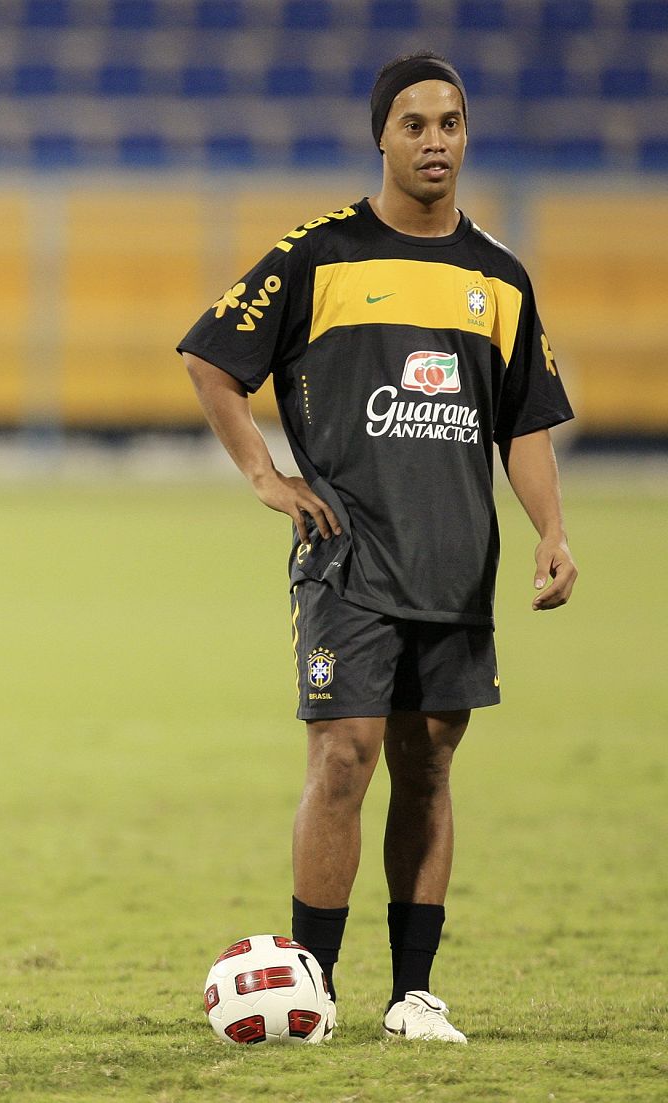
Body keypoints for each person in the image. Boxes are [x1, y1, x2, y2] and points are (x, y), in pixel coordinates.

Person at [178, 51, 577, 1043]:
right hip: (347, 555)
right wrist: (266, 476)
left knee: (429, 762)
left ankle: (414, 992)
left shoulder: (498, 275)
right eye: (415, 124)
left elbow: (521, 423)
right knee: (345, 754)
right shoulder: (318, 255)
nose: (435, 140)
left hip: (456, 559)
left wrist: (553, 532)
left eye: (450, 123)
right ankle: (309, 985)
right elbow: (208, 357)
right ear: (381, 137)